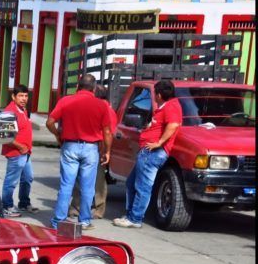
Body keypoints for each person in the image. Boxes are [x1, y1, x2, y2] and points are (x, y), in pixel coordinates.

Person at [45, 74, 113, 230]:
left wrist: (57, 134)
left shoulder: (66, 101)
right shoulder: (101, 105)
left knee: (66, 185)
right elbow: (107, 132)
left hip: (70, 146)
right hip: (91, 148)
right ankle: (84, 220)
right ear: (94, 88)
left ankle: (58, 221)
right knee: (88, 187)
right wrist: (107, 151)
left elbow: (49, 122)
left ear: (77, 86)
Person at [114, 78, 182, 228]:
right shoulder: (166, 106)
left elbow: (173, 125)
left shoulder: (171, 107)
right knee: (131, 183)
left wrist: (159, 142)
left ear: (158, 95)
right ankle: (131, 214)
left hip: (153, 153)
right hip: (147, 151)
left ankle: (135, 218)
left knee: (143, 186)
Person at [71, 85, 118, 219]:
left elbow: (108, 133)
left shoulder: (105, 109)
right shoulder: (101, 108)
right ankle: (88, 208)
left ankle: (92, 209)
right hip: (93, 147)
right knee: (90, 180)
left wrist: (104, 151)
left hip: (97, 147)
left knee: (94, 181)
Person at [0, 84, 38, 217]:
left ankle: (24, 202)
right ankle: (7, 206)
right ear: (13, 97)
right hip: (16, 153)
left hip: (25, 153)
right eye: (20, 96)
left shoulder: (23, 109)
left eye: (26, 96)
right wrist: (20, 146)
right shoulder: (9, 112)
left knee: (28, 177)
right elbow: (4, 135)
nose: (23, 98)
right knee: (11, 181)